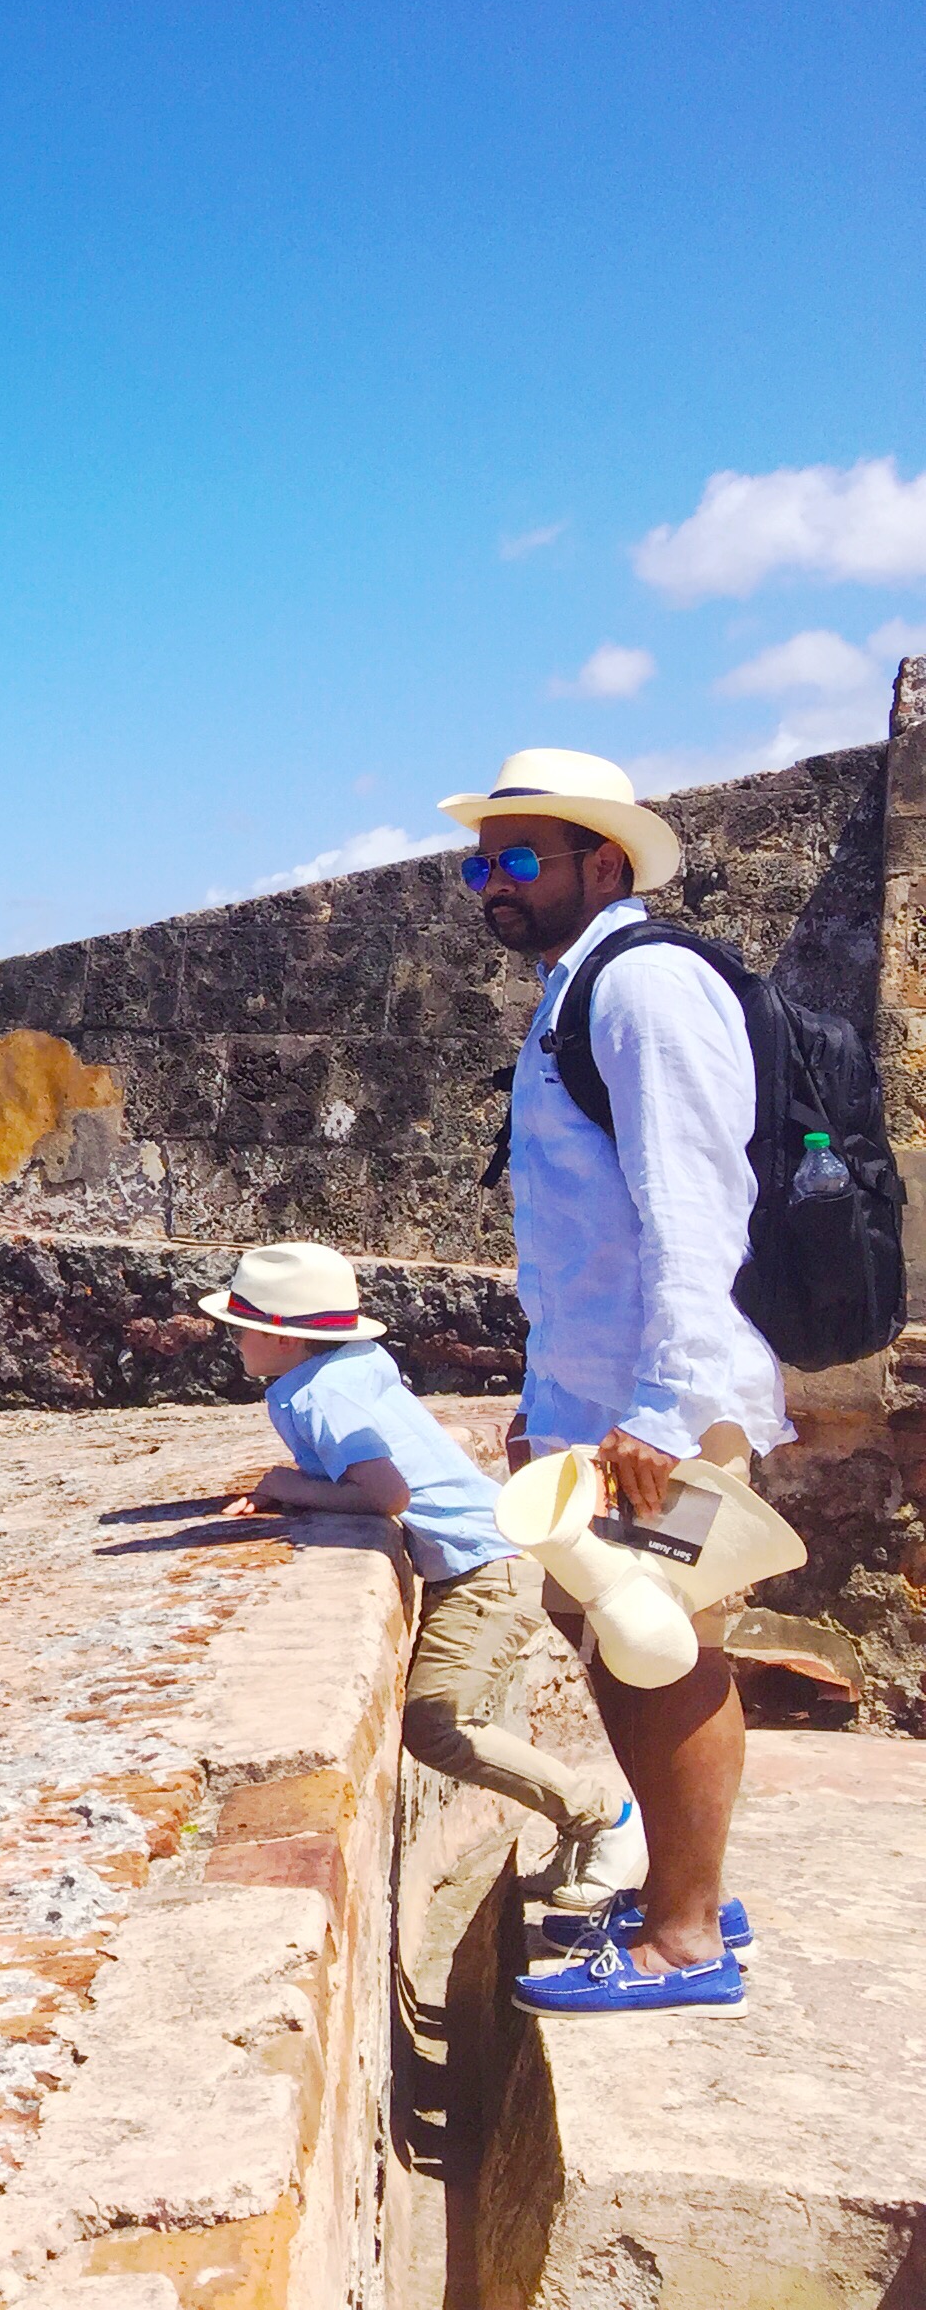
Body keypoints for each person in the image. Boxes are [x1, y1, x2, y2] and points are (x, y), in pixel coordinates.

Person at [445, 746, 774, 2018]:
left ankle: (685, 1940)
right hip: (600, 1404)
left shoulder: (641, 990)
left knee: (663, 1645)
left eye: (520, 858)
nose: (493, 882)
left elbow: (697, 1207)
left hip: (656, 1412)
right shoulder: (575, 992)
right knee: (614, 1631)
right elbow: (586, 1239)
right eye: (482, 860)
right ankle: (685, 1891)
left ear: (605, 861)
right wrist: (558, 1406)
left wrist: (657, 1412)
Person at [204, 1242, 641, 1893]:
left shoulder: (318, 1398)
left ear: (287, 1340)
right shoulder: (353, 1366)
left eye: (245, 1325)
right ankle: (592, 1820)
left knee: (438, 1727)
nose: (233, 1335)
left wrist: (287, 1486)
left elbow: (389, 1495)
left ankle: (600, 1818)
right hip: (492, 1551)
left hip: (486, 1570)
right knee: (442, 1722)